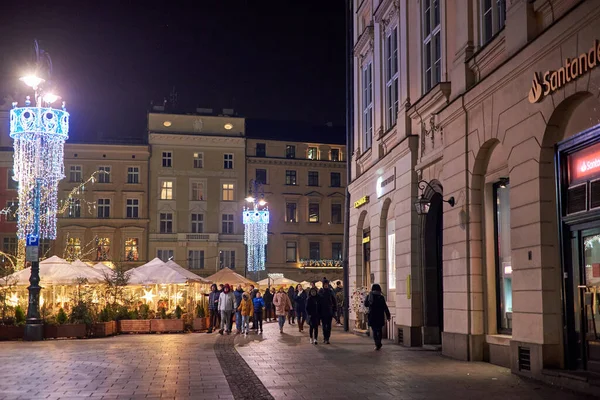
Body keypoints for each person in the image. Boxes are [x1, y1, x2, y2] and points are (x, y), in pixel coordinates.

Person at [364, 284, 391, 350]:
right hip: (380, 315)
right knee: (379, 329)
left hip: (372, 315)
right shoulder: (381, 297)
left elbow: (366, 304)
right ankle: (379, 342)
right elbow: (385, 307)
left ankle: (377, 343)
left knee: (374, 331)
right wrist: (388, 315)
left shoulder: (369, 296)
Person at [318, 279, 337, 344]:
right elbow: (318, 302)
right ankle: (324, 337)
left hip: (329, 311)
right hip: (322, 311)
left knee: (328, 326)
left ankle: (327, 338)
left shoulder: (330, 291)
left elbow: (334, 301)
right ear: (323, 285)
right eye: (325, 284)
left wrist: (335, 310)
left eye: (326, 284)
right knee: (324, 325)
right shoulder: (320, 292)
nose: (326, 285)